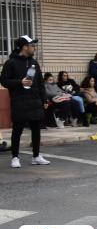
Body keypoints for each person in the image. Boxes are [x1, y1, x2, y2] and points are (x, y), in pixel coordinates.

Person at [0, 35, 50, 168]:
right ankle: (15, 157)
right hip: (19, 101)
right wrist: (19, 82)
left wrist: (44, 99)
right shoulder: (11, 63)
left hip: (34, 101)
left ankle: (36, 156)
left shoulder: (34, 62)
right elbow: (4, 81)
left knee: (36, 130)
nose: (34, 48)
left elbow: (40, 82)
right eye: (32, 45)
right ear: (24, 47)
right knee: (17, 130)